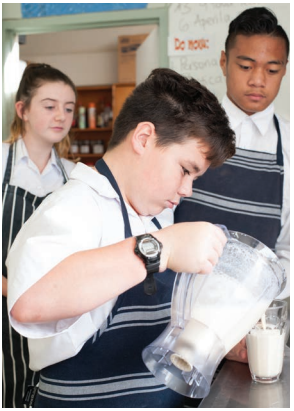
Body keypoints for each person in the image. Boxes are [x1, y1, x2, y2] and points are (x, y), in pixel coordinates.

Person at [6, 68, 235, 408]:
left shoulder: (157, 213)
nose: (187, 190)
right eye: (185, 170)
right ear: (143, 138)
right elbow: (29, 302)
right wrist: (161, 248)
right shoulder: (75, 205)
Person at [175, 7, 290, 303]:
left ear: (285, 69)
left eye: (272, 69)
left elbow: (289, 249)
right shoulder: (186, 129)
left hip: (253, 312)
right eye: (246, 66)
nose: (258, 80)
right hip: (176, 302)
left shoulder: (289, 144)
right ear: (224, 62)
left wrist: (249, 310)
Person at [2, 63, 77, 408]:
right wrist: (11, 289)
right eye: (49, 106)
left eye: (68, 107)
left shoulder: (74, 178)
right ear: (23, 110)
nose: (61, 116)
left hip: (53, 314)